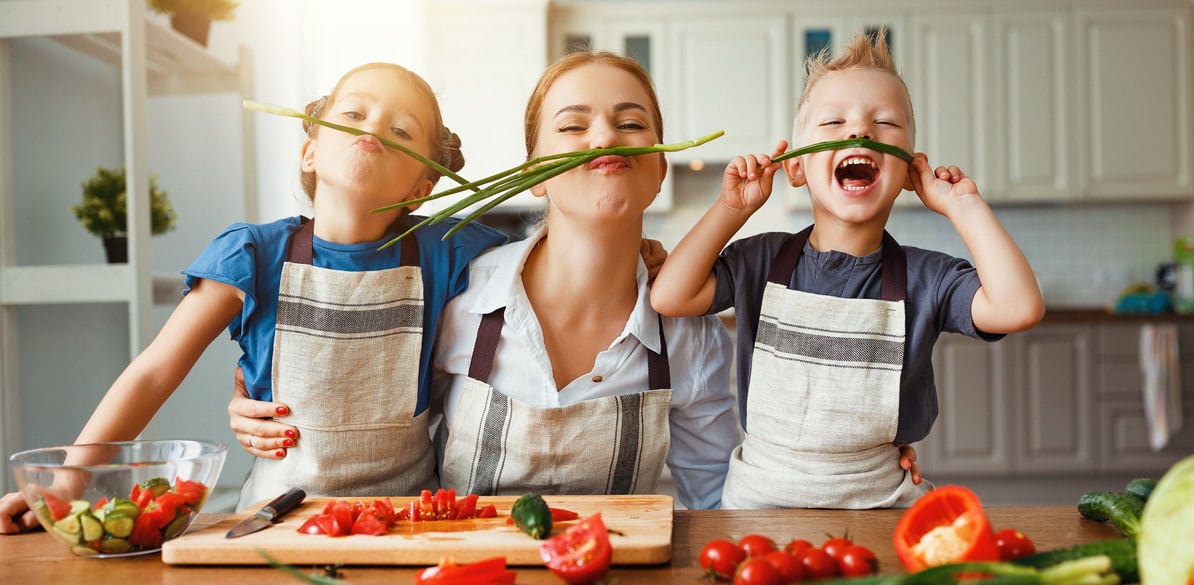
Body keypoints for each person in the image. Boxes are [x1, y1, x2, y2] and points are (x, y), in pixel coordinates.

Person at [0, 62, 507, 531]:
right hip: (277, 515)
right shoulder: (251, 254)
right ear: (310, 150)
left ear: (422, 188)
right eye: (354, 113)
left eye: (401, 131)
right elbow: (153, 370)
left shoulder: (452, 249)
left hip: (405, 521)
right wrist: (69, 479)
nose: (372, 129)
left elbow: (548, 260)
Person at [228, 51, 742, 510]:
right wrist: (255, 392)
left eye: (630, 123)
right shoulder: (459, 290)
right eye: (572, 127)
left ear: (658, 170)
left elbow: (717, 506)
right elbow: (363, 388)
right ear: (534, 174)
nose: (605, 138)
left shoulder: (691, 340)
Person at [649, 30, 1045, 509]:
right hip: (759, 504)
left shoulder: (929, 278)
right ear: (796, 168)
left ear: (908, 173)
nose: (860, 132)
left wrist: (964, 207)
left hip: (881, 506)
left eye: (885, 122)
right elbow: (669, 295)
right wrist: (733, 209)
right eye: (834, 121)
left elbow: (1018, 307)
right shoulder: (761, 260)